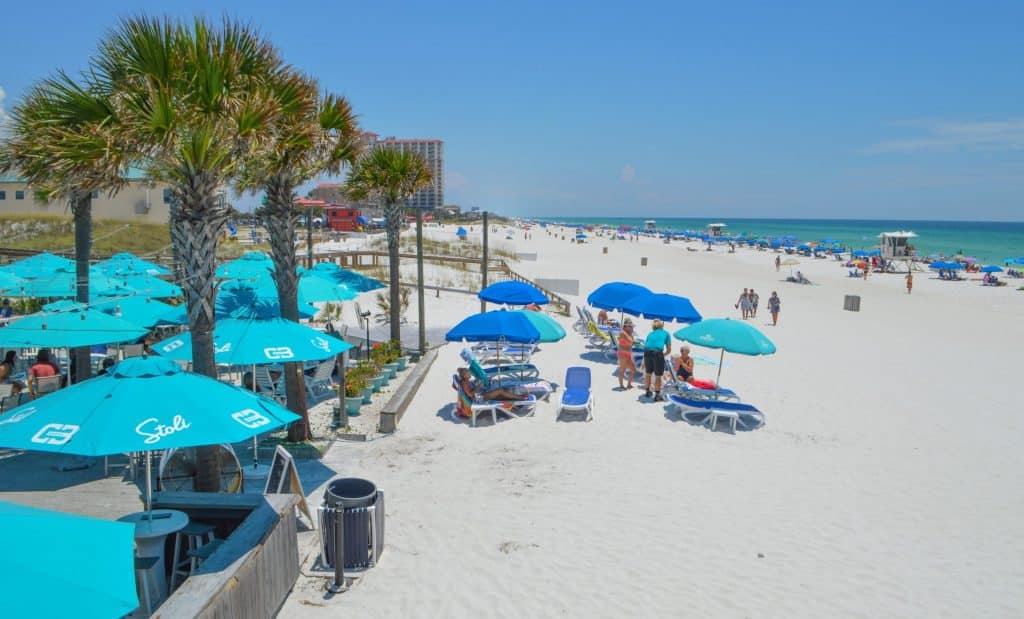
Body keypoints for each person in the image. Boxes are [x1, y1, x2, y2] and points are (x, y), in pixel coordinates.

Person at [642, 319, 672, 401]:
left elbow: (646, 345)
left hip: (647, 352)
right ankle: (657, 395)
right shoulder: (666, 333)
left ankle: (647, 392)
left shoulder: (650, 334)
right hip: (657, 352)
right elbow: (669, 350)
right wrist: (663, 355)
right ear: (662, 326)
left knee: (648, 373)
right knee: (658, 375)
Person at [457, 367, 527, 401]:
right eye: (468, 373)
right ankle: (520, 398)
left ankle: (516, 398)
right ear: (464, 375)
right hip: (478, 398)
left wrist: (476, 380)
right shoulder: (464, 383)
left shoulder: (467, 381)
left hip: (481, 394)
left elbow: (472, 387)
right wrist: (479, 386)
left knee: (500, 392)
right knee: (500, 391)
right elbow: (470, 394)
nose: (470, 374)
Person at [616, 318, 638, 390]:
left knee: (633, 369)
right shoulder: (623, 333)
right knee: (622, 369)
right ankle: (621, 385)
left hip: (628, 353)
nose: (631, 327)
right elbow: (631, 342)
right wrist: (632, 335)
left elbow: (632, 342)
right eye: (629, 326)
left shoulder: (629, 334)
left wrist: (631, 333)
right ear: (625, 326)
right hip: (623, 353)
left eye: (631, 326)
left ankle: (629, 384)